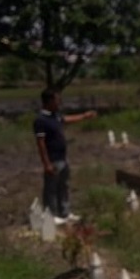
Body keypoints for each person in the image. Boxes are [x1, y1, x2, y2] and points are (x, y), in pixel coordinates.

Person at [33, 88, 97, 224]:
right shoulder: (41, 120)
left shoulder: (55, 116)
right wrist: (46, 163)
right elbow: (40, 143)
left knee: (64, 186)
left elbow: (67, 119)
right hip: (52, 159)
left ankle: (65, 212)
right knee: (51, 188)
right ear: (49, 101)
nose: (59, 103)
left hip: (63, 158)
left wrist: (84, 116)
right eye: (57, 100)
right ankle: (51, 215)